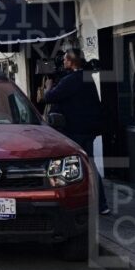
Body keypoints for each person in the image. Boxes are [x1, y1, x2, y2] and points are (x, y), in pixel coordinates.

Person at [43, 49, 110, 215]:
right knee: (88, 165)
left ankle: (76, 203)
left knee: (73, 167)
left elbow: (50, 97)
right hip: (88, 130)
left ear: (71, 62)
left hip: (75, 131)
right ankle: (100, 204)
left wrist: (48, 87)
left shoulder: (70, 80)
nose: (63, 62)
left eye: (65, 60)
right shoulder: (86, 78)